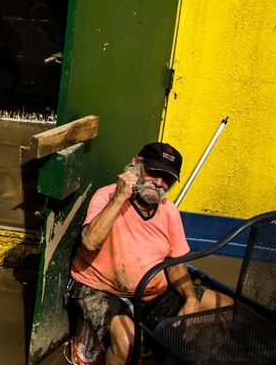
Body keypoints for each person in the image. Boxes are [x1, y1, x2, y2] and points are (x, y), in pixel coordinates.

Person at [66, 142, 229, 365]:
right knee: (129, 342)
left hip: (150, 293)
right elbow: (90, 243)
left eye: (168, 179)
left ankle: (190, 358)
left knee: (224, 306)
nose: (159, 183)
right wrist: (120, 197)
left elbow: (175, 262)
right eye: (154, 173)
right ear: (135, 165)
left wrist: (190, 298)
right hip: (102, 288)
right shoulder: (107, 196)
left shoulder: (169, 212)